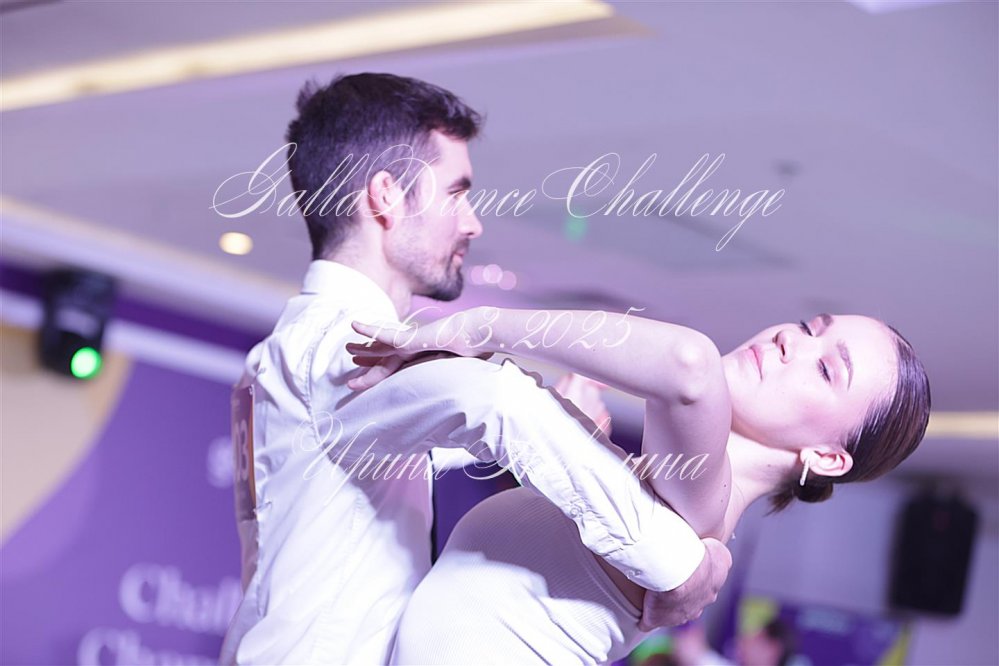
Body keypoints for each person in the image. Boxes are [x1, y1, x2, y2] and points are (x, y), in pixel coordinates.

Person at [219, 72, 731, 665]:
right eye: (456, 193)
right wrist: (677, 566)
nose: (472, 223)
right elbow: (496, 404)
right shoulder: (341, 349)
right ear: (386, 196)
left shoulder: (289, 351)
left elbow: (365, 465)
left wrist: (565, 418)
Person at [347, 305, 931, 663]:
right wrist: (575, 431)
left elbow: (689, 363)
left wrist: (477, 327)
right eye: (809, 327)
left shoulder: (701, 520)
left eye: (826, 368)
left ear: (827, 457)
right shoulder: (661, 495)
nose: (792, 342)